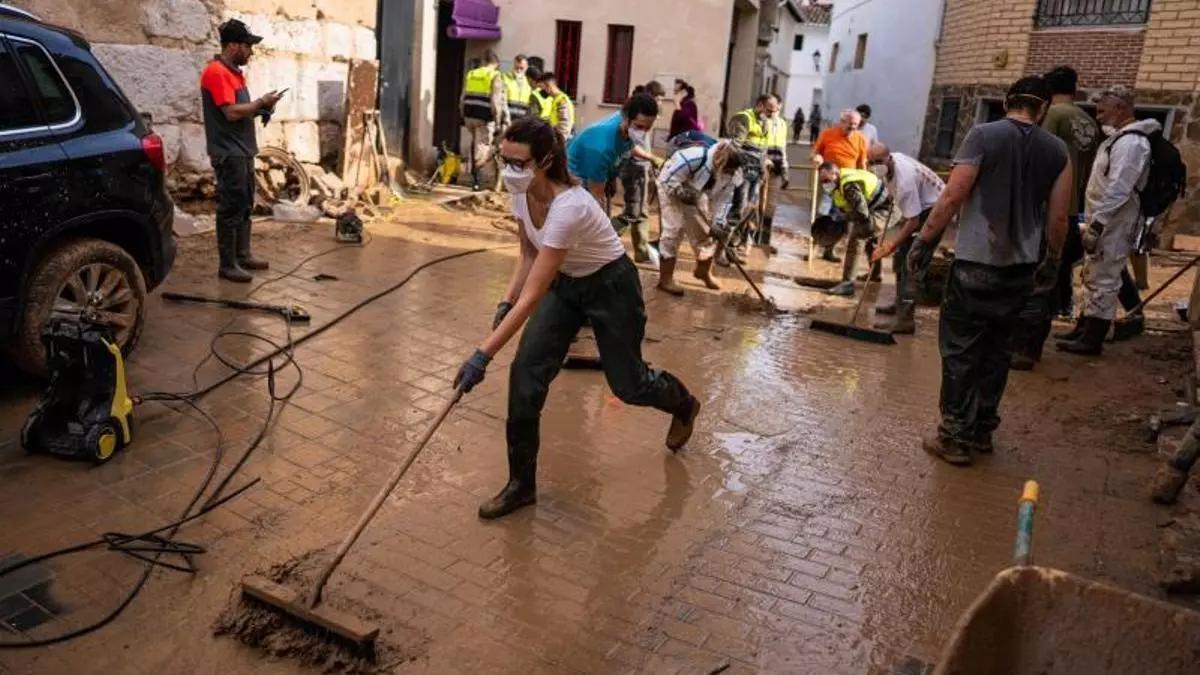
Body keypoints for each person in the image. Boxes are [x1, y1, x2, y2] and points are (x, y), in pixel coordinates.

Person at [455, 117, 701, 520]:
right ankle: (521, 485)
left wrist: (482, 355)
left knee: (628, 384)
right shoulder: (520, 194)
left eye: (520, 163)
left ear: (546, 159)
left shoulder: (570, 206)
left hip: (611, 287)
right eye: (506, 160)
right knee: (525, 374)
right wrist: (505, 299)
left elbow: (534, 295)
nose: (510, 171)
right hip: (566, 286)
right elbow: (528, 255)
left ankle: (683, 403)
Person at [909, 76, 1071, 466]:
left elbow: (953, 195)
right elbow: (1060, 216)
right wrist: (1052, 261)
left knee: (961, 351)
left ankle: (955, 437)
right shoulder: (1057, 149)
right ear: (1044, 108)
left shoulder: (982, 135)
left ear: (1005, 102)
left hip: (975, 265)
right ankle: (982, 431)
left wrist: (924, 241)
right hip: (1021, 269)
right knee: (997, 352)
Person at [1008, 65, 1100, 369]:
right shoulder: (1088, 121)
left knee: (1028, 278)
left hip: (1044, 207)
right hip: (1071, 210)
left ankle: (1022, 348)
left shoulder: (1053, 117)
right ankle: (1032, 347)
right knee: (1051, 277)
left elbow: (1037, 159)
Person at [1057, 86, 1160, 356]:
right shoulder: (1117, 139)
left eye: (1104, 106)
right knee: (1093, 274)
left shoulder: (1132, 143)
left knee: (1105, 277)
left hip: (1116, 223)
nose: (1098, 109)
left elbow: (1119, 188)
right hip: (1103, 220)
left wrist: (1099, 224)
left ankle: (1093, 339)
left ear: (1121, 108)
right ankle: (1084, 327)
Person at [200, 19, 283, 283]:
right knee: (230, 207)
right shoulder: (216, 72)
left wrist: (262, 108)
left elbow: (241, 110)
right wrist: (260, 102)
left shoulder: (234, 73)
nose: (251, 51)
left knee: (245, 203)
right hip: (228, 152)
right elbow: (231, 112)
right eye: (248, 46)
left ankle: (243, 255)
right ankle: (228, 265)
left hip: (242, 150)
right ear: (233, 45)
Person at [867, 142, 945, 334]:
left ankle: (906, 320)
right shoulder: (891, 166)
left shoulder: (905, 182)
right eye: (872, 162)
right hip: (920, 206)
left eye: (879, 161)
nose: (876, 165)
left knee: (913, 262)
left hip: (935, 210)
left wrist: (891, 245)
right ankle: (900, 303)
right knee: (900, 259)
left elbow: (913, 221)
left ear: (889, 158)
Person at [654, 140, 747, 295]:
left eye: (731, 170)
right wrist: (680, 192)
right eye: (727, 168)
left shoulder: (734, 174)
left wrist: (717, 223)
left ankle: (703, 272)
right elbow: (666, 179)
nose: (728, 173)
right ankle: (666, 279)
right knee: (673, 230)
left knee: (706, 233)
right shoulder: (692, 157)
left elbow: (723, 200)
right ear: (719, 158)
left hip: (699, 192)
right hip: (672, 187)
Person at [566, 93, 659, 210]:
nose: (643, 133)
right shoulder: (601, 147)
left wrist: (651, 158)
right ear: (626, 118)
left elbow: (628, 146)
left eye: (648, 128)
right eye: (639, 127)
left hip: (597, 170)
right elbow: (596, 195)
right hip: (574, 178)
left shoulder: (627, 126)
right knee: (589, 213)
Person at [816, 161, 890, 297]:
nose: (825, 184)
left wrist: (844, 220)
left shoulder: (849, 186)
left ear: (835, 173)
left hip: (884, 209)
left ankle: (847, 284)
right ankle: (876, 273)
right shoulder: (838, 185)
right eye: (822, 181)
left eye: (827, 180)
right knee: (870, 236)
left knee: (858, 238)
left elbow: (862, 213)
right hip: (876, 207)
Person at [616, 82, 668, 264]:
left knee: (642, 211)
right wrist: (652, 158)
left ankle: (641, 252)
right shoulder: (633, 117)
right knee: (633, 211)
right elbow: (631, 147)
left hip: (641, 165)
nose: (660, 103)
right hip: (633, 166)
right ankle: (607, 234)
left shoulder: (646, 118)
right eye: (658, 99)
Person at [810, 109, 868, 262]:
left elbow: (862, 163)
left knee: (840, 218)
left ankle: (829, 250)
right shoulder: (828, 134)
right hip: (828, 181)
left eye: (856, 125)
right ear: (842, 122)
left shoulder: (860, 139)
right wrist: (817, 158)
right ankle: (814, 247)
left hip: (847, 184)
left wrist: (862, 182)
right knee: (823, 213)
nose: (853, 128)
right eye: (850, 124)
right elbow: (816, 152)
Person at [460, 50, 507, 191]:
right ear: (495, 64)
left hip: (469, 115)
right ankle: (478, 182)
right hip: (484, 117)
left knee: (475, 144)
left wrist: (463, 114)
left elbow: (462, 97)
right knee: (483, 148)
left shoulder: (471, 74)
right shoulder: (495, 75)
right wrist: (498, 121)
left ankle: (475, 178)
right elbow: (495, 101)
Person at [535, 72, 575, 139]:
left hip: (561, 142)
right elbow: (555, 121)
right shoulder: (555, 100)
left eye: (541, 88)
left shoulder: (562, 101)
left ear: (549, 86)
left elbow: (565, 126)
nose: (540, 91)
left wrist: (558, 143)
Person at [501, 54, 534, 122]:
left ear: (526, 67)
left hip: (522, 120)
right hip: (507, 119)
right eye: (516, 68)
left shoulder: (529, 82)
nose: (519, 71)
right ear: (513, 66)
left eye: (521, 68)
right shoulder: (505, 78)